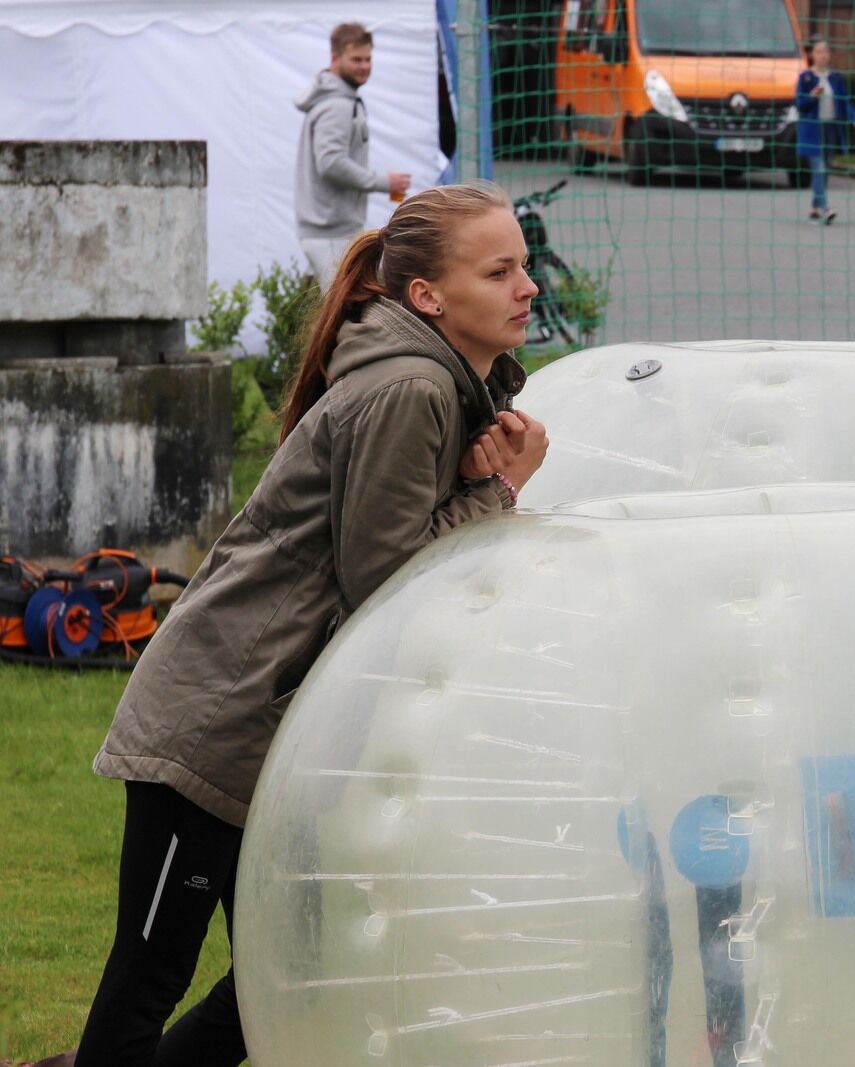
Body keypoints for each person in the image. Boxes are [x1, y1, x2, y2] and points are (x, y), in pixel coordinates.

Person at [61, 182, 547, 1067]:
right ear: (427, 296)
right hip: (217, 724)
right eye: (499, 271)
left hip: (285, 732)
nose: (528, 286)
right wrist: (499, 488)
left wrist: (484, 481)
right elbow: (386, 578)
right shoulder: (412, 388)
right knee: (150, 976)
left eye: (523, 266)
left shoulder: (446, 385)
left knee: (296, 975)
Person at [294, 21, 412, 287]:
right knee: (344, 306)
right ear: (335, 58)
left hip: (331, 230)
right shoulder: (337, 105)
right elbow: (331, 163)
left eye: (368, 59)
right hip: (329, 231)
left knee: (342, 302)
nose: (364, 66)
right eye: (356, 59)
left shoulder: (341, 99)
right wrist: (384, 182)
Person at [795, 37, 855, 226]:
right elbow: (799, 104)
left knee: (826, 168)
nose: (823, 55)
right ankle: (825, 209)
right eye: (819, 52)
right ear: (812, 55)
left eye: (825, 51)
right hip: (812, 130)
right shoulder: (806, 78)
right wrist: (812, 96)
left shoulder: (836, 78)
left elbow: (845, 101)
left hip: (831, 129)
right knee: (818, 167)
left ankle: (814, 207)